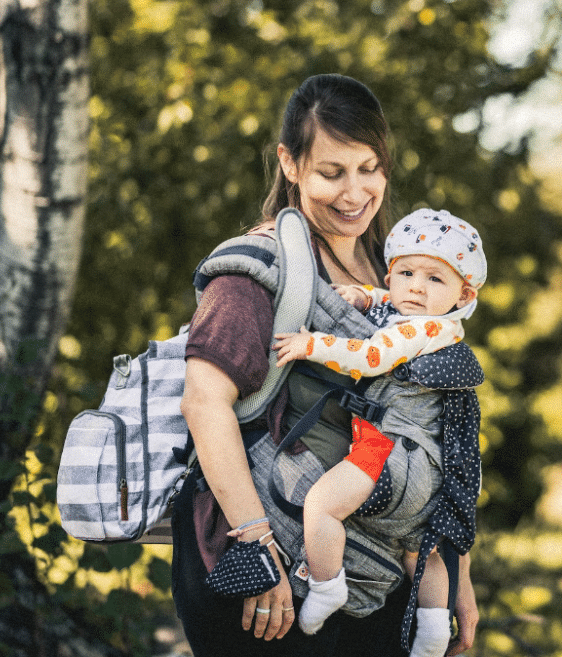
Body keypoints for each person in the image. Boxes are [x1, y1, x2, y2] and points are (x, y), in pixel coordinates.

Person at [174, 74, 479, 657]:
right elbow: (203, 401)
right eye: (332, 172)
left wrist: (456, 575)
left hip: (381, 572)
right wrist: (255, 547)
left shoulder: (399, 267)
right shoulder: (258, 265)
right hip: (272, 566)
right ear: (290, 164)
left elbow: (438, 425)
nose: (355, 192)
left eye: (370, 168)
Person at [271, 208, 485, 657]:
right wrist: (367, 297)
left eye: (434, 280)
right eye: (405, 272)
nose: (416, 287)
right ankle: (431, 631)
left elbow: (371, 356)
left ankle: (327, 586)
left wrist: (312, 345)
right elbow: (391, 303)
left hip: (385, 451)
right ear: (391, 274)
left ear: (464, 293)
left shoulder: (419, 327)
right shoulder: (441, 327)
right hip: (427, 471)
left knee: (321, 506)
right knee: (418, 552)